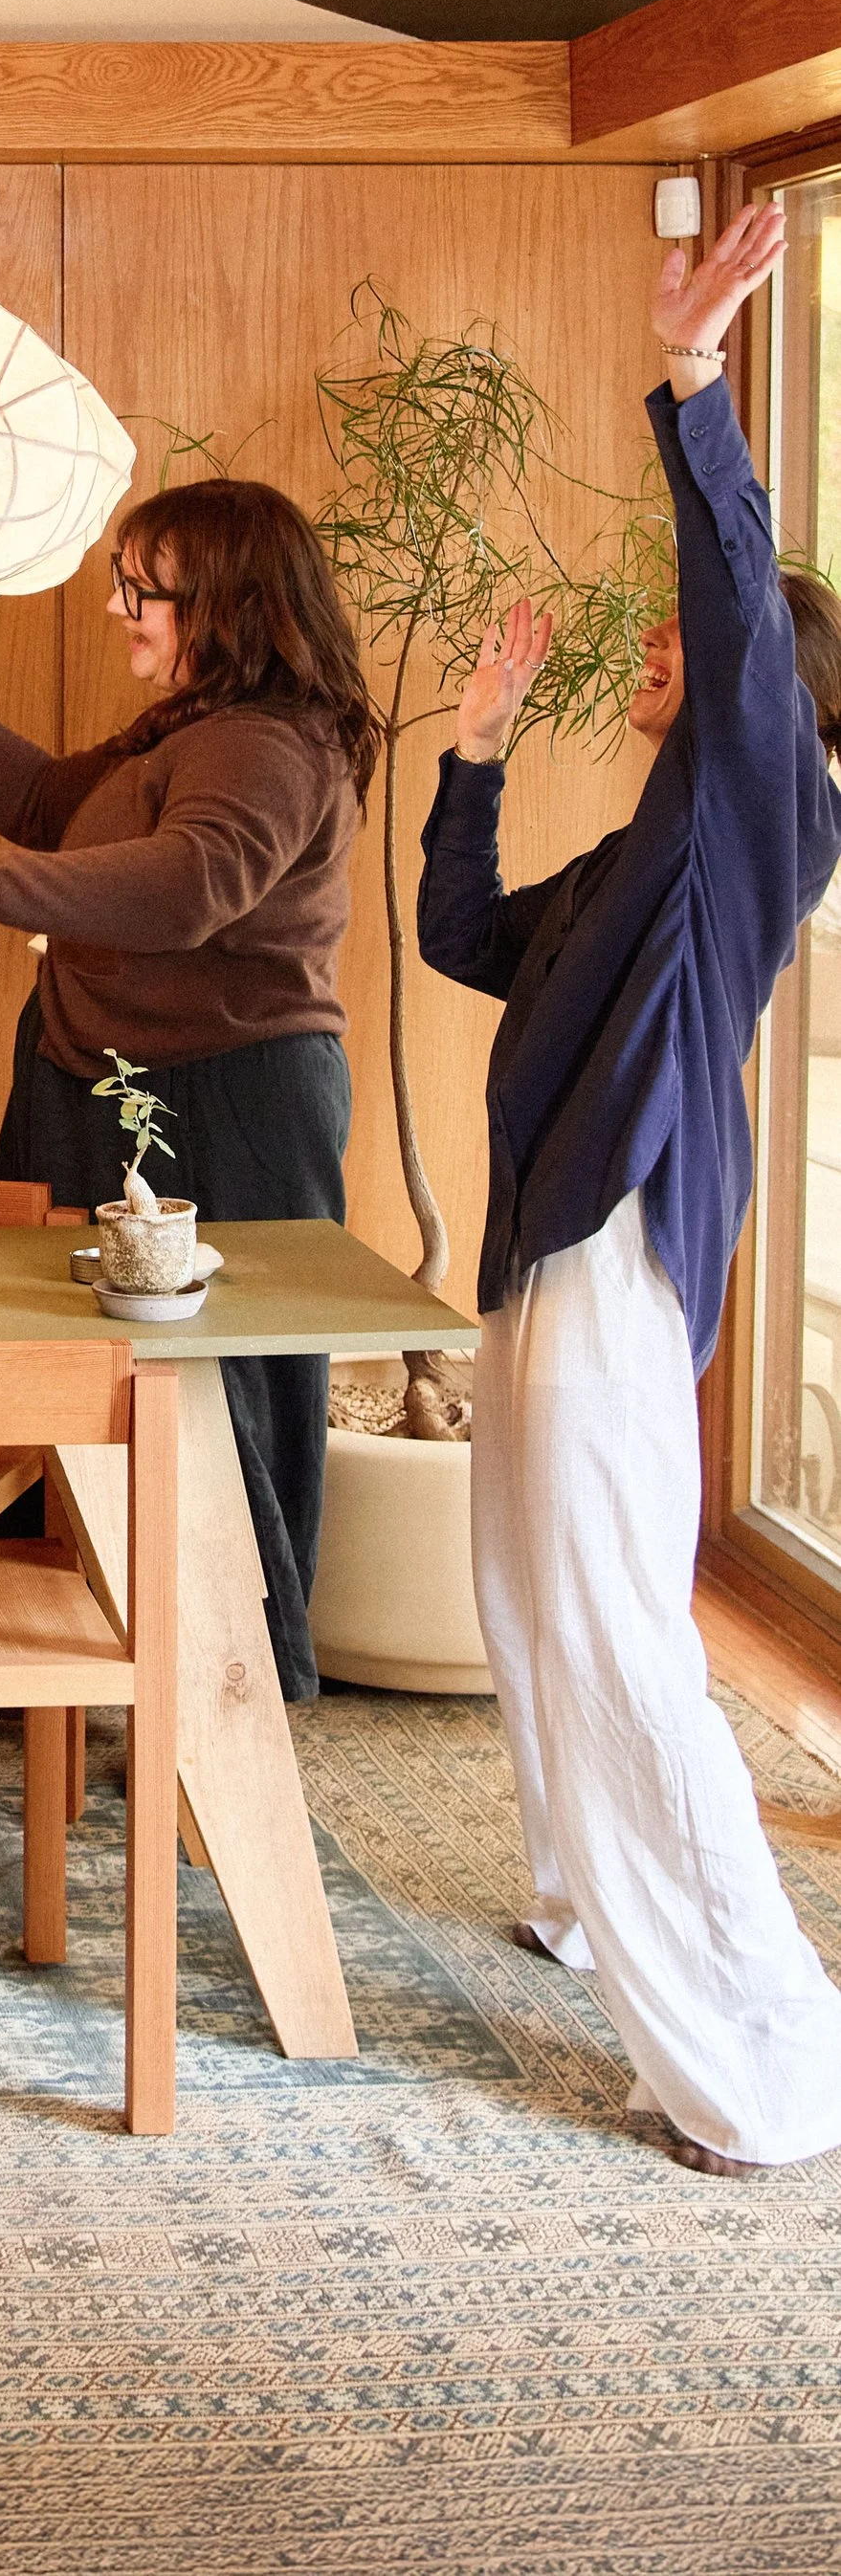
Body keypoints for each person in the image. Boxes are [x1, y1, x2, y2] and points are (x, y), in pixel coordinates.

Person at [419, 206, 841, 2174]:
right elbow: (449, 932)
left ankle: (764, 2071)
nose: (656, 641)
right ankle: (582, 1897)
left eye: (692, 637)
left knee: (608, 1634)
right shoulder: (630, 858)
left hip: (603, 1256)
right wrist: (478, 746)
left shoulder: (760, 809)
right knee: (527, 1603)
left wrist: (691, 377)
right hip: (541, 1259)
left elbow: (742, 608)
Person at [0, 479, 377, 1702]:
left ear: (225, 603)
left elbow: (188, 884)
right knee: (57, 1367)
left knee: (221, 1396)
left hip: (226, 1101)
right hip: (100, 1080)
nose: (115, 606)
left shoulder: (267, 742)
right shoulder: (182, 727)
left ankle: (239, 1682)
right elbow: (51, 810)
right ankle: (44, 1657)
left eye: (140, 587)